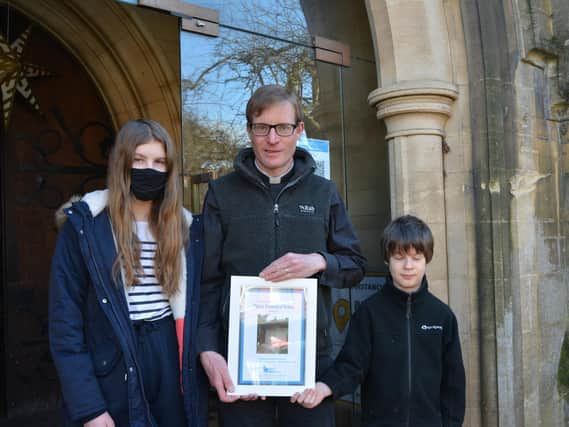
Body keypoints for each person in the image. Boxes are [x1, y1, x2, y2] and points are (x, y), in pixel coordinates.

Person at [197, 84, 367, 427]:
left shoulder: (324, 193)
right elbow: (206, 280)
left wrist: (319, 262)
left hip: (308, 365)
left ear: (299, 130)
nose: (272, 138)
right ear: (249, 131)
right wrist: (208, 349)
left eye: (283, 128)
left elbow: (356, 265)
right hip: (241, 366)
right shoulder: (221, 194)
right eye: (262, 127)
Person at [49, 119, 208, 427]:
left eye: (159, 161)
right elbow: (64, 322)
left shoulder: (187, 229)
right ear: (122, 163)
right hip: (112, 357)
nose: (149, 169)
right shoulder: (86, 226)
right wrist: (89, 408)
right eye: (139, 159)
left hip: (167, 354)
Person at [292, 215, 466, 427]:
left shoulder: (442, 316)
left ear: (427, 259)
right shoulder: (369, 313)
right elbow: (351, 366)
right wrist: (324, 388)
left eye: (416, 257)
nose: (408, 266)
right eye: (399, 257)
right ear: (387, 259)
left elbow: (454, 383)